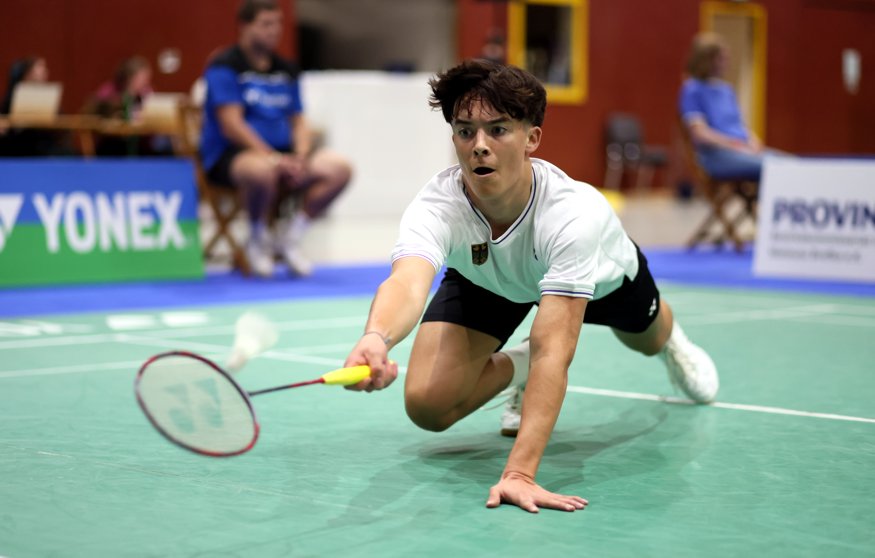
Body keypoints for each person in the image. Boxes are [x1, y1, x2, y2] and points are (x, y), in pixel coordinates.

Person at [342, 59, 719, 513]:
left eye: (497, 130)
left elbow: (555, 350)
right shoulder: (437, 204)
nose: (479, 146)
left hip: (598, 278)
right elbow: (407, 282)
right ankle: (516, 369)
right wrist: (375, 336)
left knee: (647, 339)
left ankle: (673, 341)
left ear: (531, 139)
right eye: (465, 131)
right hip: (490, 278)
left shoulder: (573, 215)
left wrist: (520, 473)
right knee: (427, 405)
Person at [199, 0, 352, 277]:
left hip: (283, 157)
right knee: (263, 171)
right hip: (233, 158)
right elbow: (231, 124)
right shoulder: (225, 65)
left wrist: (300, 156)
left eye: (278, 23)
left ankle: (290, 238)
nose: (275, 30)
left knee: (338, 168)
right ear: (245, 27)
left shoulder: (287, 69)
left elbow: (298, 121)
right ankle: (257, 239)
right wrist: (272, 157)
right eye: (266, 24)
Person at [679, 32, 776, 181]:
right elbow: (700, 134)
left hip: (743, 149)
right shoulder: (693, 89)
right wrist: (735, 144)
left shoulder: (727, 90)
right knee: (774, 166)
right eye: (722, 59)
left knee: (790, 163)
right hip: (717, 155)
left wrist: (753, 140)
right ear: (707, 60)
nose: (727, 63)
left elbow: (740, 125)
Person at [0, 56, 67, 157]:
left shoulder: (48, 97)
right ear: (27, 74)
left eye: (45, 68)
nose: (45, 71)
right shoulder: (11, 97)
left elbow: (60, 126)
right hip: (17, 145)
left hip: (43, 146)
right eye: (39, 67)